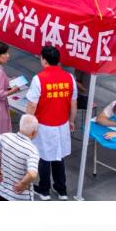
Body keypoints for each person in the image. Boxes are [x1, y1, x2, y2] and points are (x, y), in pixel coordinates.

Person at [25, 45, 77, 200]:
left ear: (44, 60)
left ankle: (44, 190)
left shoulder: (39, 79)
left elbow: (32, 105)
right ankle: (61, 190)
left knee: (44, 157)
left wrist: (27, 125)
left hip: (44, 125)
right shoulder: (69, 77)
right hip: (62, 124)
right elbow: (73, 103)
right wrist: (71, 120)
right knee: (58, 156)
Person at [0, 114, 40, 201]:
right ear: (34, 133)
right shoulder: (32, 150)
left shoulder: (6, 137)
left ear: (20, 126)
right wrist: (23, 184)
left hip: (1, 191)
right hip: (19, 197)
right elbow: (32, 174)